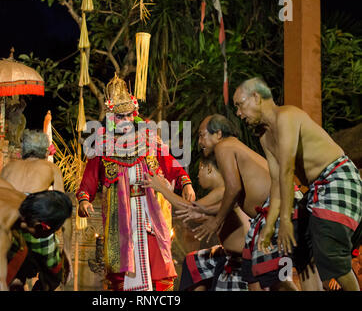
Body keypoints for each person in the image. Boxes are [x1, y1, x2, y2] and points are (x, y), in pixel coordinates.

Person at [233, 77, 362, 291]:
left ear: (256, 97)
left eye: (240, 105)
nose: (238, 113)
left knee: (330, 254)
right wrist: (269, 226)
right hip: (316, 192)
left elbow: (287, 170)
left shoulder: (286, 116)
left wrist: (284, 219)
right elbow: (276, 184)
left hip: (338, 179)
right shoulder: (265, 137)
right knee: (301, 247)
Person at [76, 74, 195, 291]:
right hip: (119, 216)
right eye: (120, 116)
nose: (125, 120)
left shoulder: (149, 137)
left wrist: (185, 183)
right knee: (121, 271)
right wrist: (84, 200)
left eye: (129, 115)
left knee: (158, 266)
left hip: (151, 213)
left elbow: (170, 163)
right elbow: (89, 180)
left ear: (135, 113)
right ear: (111, 116)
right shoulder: (100, 145)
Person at [196, 114, 300, 291]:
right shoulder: (235, 148)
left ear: (218, 134)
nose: (199, 142)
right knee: (259, 275)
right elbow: (234, 197)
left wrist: (215, 221)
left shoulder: (224, 146)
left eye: (202, 135)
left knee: (270, 276)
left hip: (279, 207)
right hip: (278, 208)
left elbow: (233, 189)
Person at [144, 153, 250, 291]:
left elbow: (191, 209)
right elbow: (197, 214)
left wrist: (161, 189)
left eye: (199, 169)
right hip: (225, 253)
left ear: (208, 168)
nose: (198, 176)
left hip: (242, 260)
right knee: (193, 261)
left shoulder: (223, 191)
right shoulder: (222, 192)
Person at [0, 129, 72, 290]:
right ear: (45, 149)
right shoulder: (51, 168)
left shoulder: (8, 168)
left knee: (15, 279)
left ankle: (18, 280)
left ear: (23, 148)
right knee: (55, 276)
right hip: (36, 231)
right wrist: (67, 252)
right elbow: (64, 212)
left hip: (10, 231)